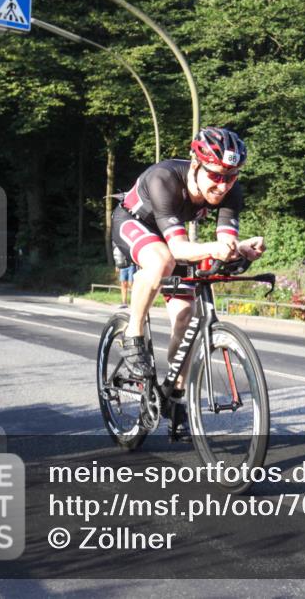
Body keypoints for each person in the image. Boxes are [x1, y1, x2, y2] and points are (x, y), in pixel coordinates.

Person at [110, 127, 265, 434]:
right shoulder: (164, 178)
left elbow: (224, 242)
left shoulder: (231, 189)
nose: (222, 185)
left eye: (230, 177)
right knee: (161, 260)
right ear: (196, 164)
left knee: (187, 317)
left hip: (172, 236)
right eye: (215, 176)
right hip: (134, 223)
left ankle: (175, 396)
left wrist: (240, 249)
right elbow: (178, 250)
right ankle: (133, 332)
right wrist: (213, 248)